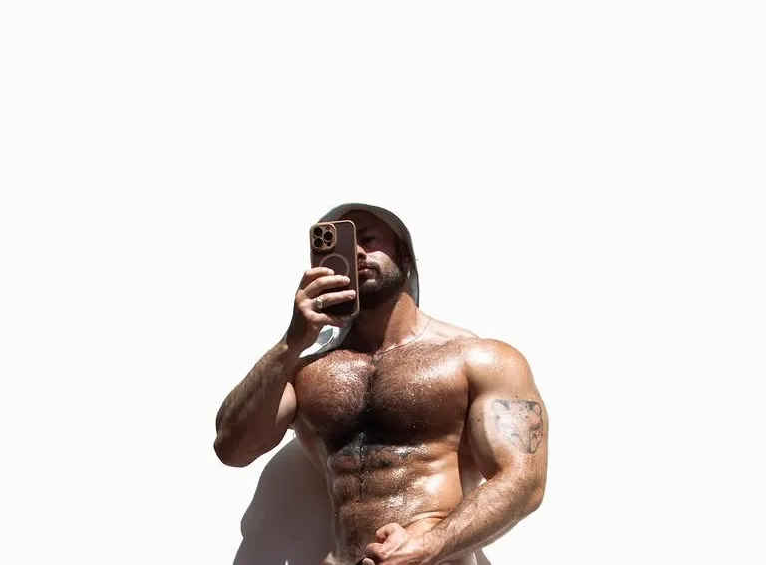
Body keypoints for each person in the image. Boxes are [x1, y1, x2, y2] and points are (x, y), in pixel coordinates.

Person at [214, 203, 548, 565]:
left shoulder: (478, 358)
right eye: (342, 245)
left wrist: (428, 546)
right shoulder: (307, 371)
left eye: (368, 239)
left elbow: (524, 481)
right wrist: (291, 341)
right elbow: (233, 448)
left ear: (404, 257)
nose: (356, 251)